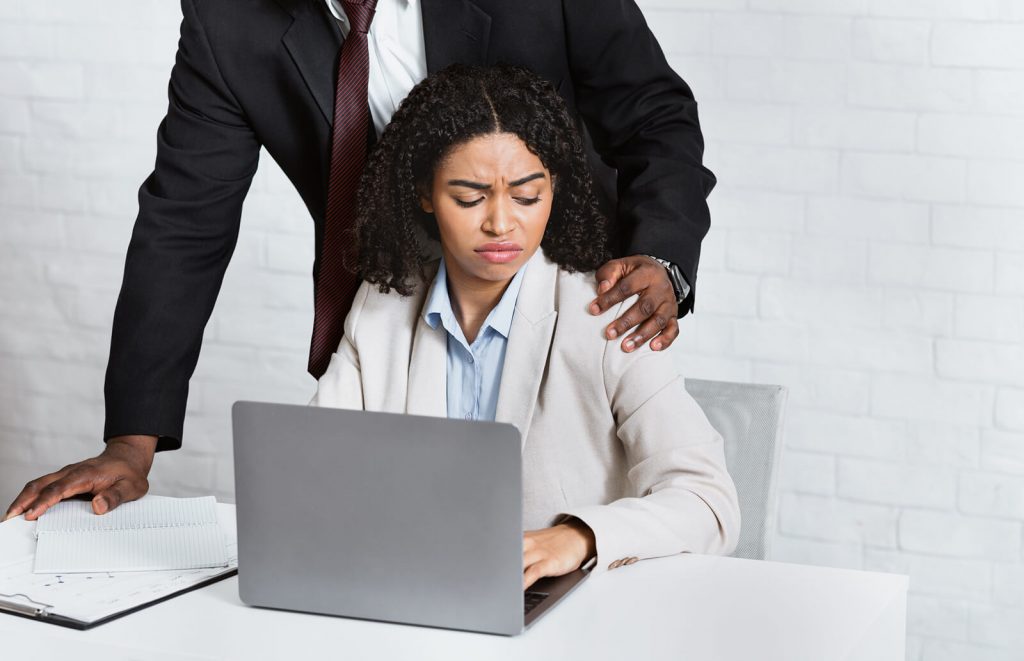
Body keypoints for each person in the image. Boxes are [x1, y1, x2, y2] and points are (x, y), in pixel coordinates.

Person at [5, 0, 716, 522]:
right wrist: (130, 443)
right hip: (395, 313)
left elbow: (654, 115)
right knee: (383, 528)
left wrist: (661, 255)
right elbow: (183, 220)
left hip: (572, 299)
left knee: (558, 502)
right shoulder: (228, 19)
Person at [311, 64, 738, 587]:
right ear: (424, 193)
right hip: (416, 592)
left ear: (554, 190)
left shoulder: (606, 317)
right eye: (469, 198)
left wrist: (579, 537)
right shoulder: (381, 307)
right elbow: (317, 470)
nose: (500, 222)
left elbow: (709, 501)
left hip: (572, 615)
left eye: (528, 197)